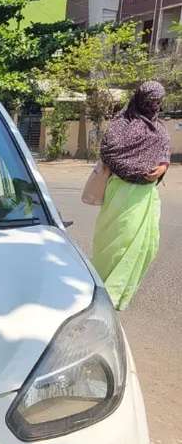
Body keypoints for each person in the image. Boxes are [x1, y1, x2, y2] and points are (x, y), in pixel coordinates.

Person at [91, 81, 171, 311]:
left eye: (158, 101)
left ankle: (119, 294)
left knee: (145, 246)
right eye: (150, 100)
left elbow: (164, 154)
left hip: (146, 195)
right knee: (116, 243)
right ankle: (104, 293)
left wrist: (163, 168)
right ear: (139, 98)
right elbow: (109, 152)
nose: (153, 105)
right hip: (121, 191)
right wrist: (134, 171)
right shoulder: (121, 123)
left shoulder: (160, 126)